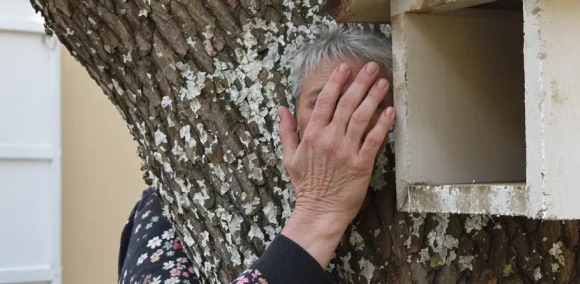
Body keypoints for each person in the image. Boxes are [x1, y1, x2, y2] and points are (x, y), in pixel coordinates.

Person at [118, 25, 395, 284]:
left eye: (367, 103)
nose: (344, 122)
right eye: (325, 103)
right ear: (293, 121)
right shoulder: (174, 203)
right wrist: (319, 211)